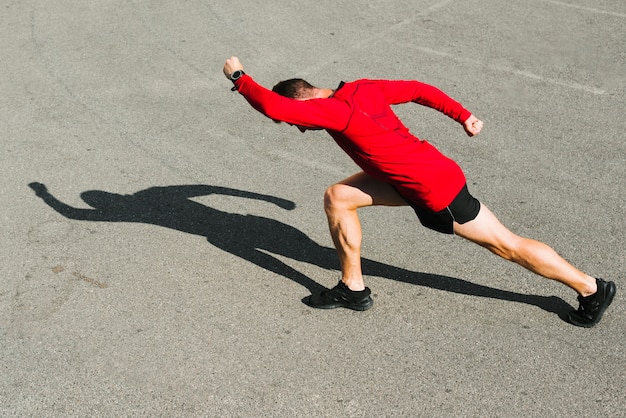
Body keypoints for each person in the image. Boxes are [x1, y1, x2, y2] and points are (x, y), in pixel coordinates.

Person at [222, 56, 616, 327]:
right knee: (338, 197)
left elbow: (275, 108)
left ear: (304, 99)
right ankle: (353, 288)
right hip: (411, 177)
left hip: (434, 189)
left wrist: (239, 78)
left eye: (299, 121)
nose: (299, 128)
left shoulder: (332, 111)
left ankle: (591, 287)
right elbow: (417, 88)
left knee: (506, 245)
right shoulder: (363, 89)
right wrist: (462, 115)